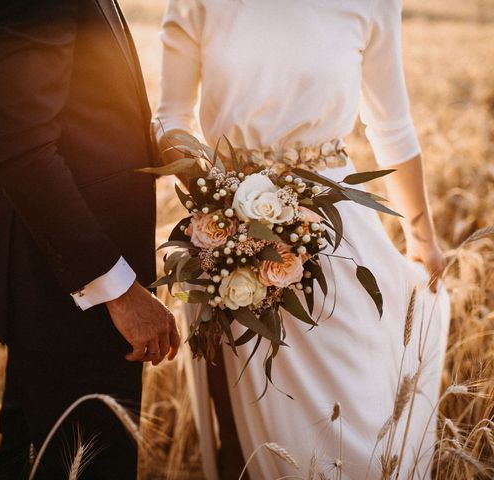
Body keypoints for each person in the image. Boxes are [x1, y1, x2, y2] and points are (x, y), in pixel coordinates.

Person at [156, 0, 450, 478]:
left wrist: (422, 238)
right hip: (231, 246)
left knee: (362, 433)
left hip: (339, 242)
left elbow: (391, 125)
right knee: (252, 442)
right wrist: (222, 207)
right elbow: (170, 118)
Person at [0, 0, 180, 478]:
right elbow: (24, 155)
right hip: (69, 302)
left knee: (36, 462)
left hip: (61, 293)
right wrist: (118, 291)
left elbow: (80, 112)